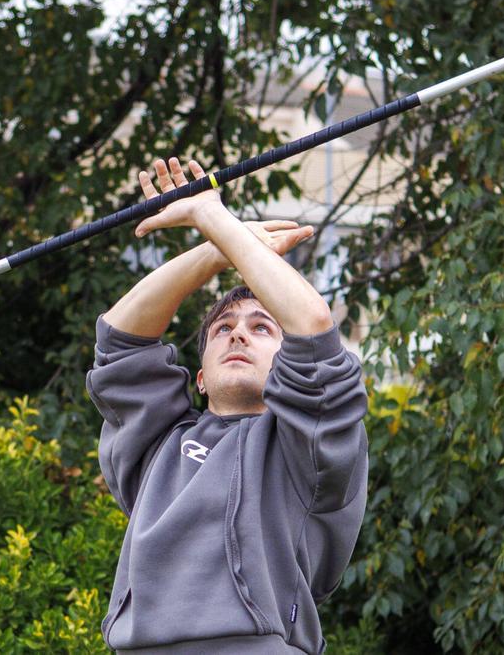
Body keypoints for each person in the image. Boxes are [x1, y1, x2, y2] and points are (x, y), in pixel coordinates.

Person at [86, 157, 369, 654]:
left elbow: (313, 330)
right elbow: (119, 342)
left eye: (262, 327)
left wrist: (213, 217)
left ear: (288, 368)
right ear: (200, 377)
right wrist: (215, 250)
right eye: (223, 328)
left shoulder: (307, 449)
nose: (238, 331)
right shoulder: (157, 447)